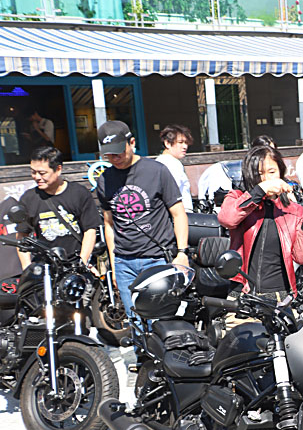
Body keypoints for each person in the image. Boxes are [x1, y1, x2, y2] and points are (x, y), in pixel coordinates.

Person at [95, 120, 189, 323]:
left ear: (132, 143)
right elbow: (109, 224)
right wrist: (113, 263)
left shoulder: (157, 171)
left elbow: (178, 214)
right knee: (135, 323)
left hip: (156, 258)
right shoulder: (104, 180)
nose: (115, 158)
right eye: (109, 154)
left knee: (160, 322)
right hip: (124, 262)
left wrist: (182, 253)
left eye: (119, 152)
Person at [218, 145, 303, 296]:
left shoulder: (294, 209)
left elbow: (301, 257)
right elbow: (227, 219)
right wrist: (260, 190)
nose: (266, 178)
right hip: (242, 293)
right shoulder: (238, 197)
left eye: (272, 172)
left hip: (280, 294)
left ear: (280, 172)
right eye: (259, 174)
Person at [16, 146, 100, 270]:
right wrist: (27, 268)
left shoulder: (79, 193)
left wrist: (82, 262)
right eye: (33, 172)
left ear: (58, 169)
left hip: (75, 263)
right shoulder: (28, 198)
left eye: (42, 173)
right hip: (45, 267)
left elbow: (90, 230)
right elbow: (22, 235)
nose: (37, 177)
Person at [156, 124, 194, 212]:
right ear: (167, 143)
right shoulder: (172, 164)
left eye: (186, 142)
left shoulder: (159, 161)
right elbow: (172, 194)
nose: (185, 146)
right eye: (180, 142)